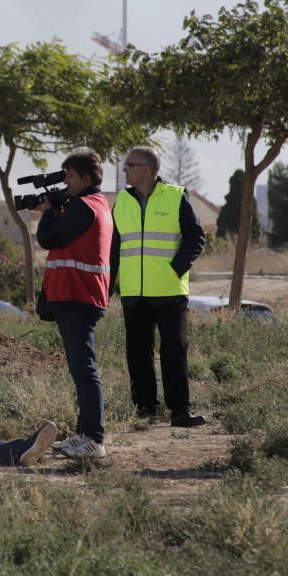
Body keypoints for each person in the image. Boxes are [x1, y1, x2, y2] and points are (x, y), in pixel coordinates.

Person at [110, 146, 206, 428]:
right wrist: (108, 285)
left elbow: (195, 238)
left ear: (147, 170)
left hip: (169, 291)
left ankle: (180, 412)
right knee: (138, 353)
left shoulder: (177, 196)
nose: (125, 169)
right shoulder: (122, 202)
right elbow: (114, 247)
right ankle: (146, 411)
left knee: (174, 352)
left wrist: (176, 268)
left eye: (130, 165)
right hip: (133, 293)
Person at [35, 149, 113, 459]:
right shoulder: (96, 204)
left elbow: (50, 239)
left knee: (84, 369)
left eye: (69, 176)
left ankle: (94, 438)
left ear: (87, 177)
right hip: (78, 295)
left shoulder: (84, 207)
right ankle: (84, 435)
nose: (65, 182)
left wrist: (48, 212)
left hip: (78, 295)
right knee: (80, 369)